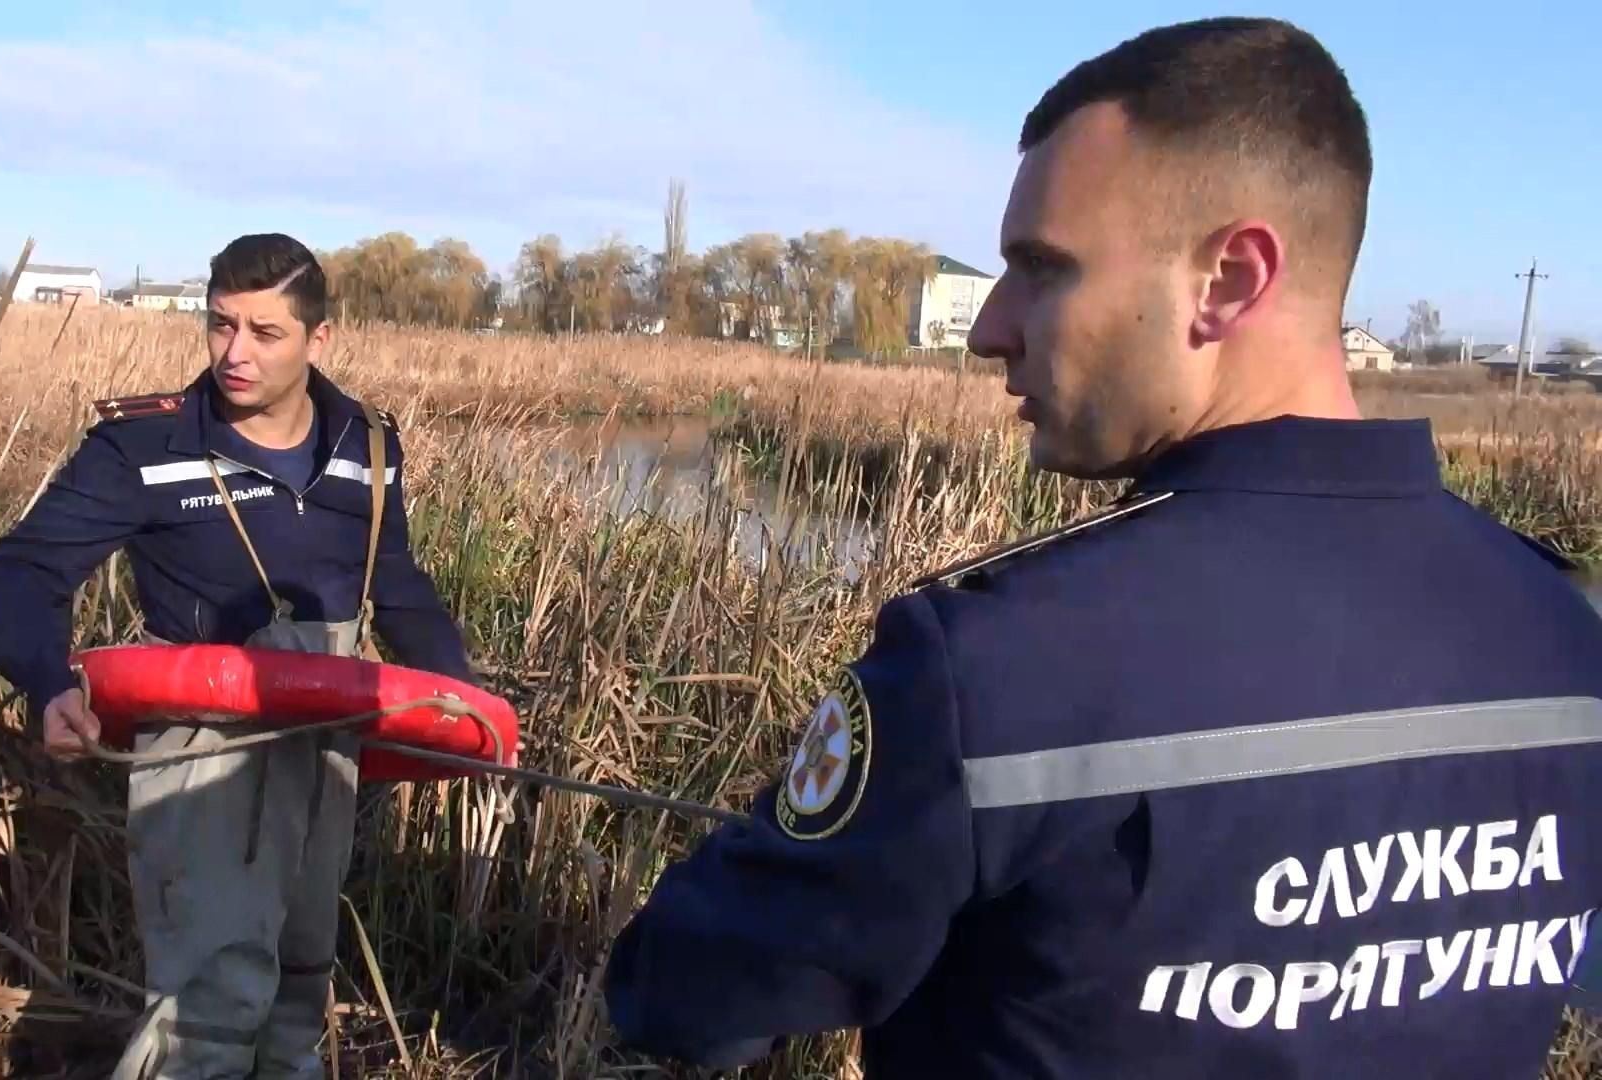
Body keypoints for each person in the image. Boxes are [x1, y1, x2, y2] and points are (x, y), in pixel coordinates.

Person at [602, 17, 1602, 1078]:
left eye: (1043, 268)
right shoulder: (1561, 632)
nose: (992, 328)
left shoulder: (993, 668)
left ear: (1229, 279)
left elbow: (692, 999)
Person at [0, 233, 472, 1079]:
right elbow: (23, 573)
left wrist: (466, 706)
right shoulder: (141, 449)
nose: (234, 353)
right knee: (211, 1004)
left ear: (319, 342)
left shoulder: (370, 447)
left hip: (328, 757)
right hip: (205, 753)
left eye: (264, 332)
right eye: (220, 326)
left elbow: (402, 589)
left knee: (298, 993)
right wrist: (48, 681)